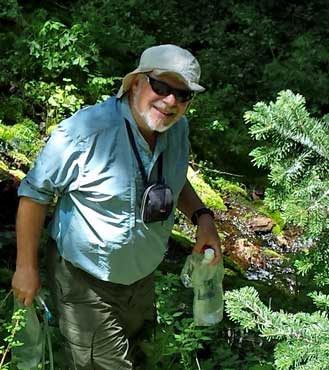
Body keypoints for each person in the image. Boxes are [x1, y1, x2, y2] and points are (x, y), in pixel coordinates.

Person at [12, 44, 221, 369]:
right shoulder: (85, 132)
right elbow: (34, 194)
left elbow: (174, 179)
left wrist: (202, 217)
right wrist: (25, 268)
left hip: (142, 279)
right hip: (85, 282)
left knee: (143, 360)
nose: (171, 102)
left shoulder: (177, 129)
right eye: (162, 87)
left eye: (183, 95)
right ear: (136, 82)